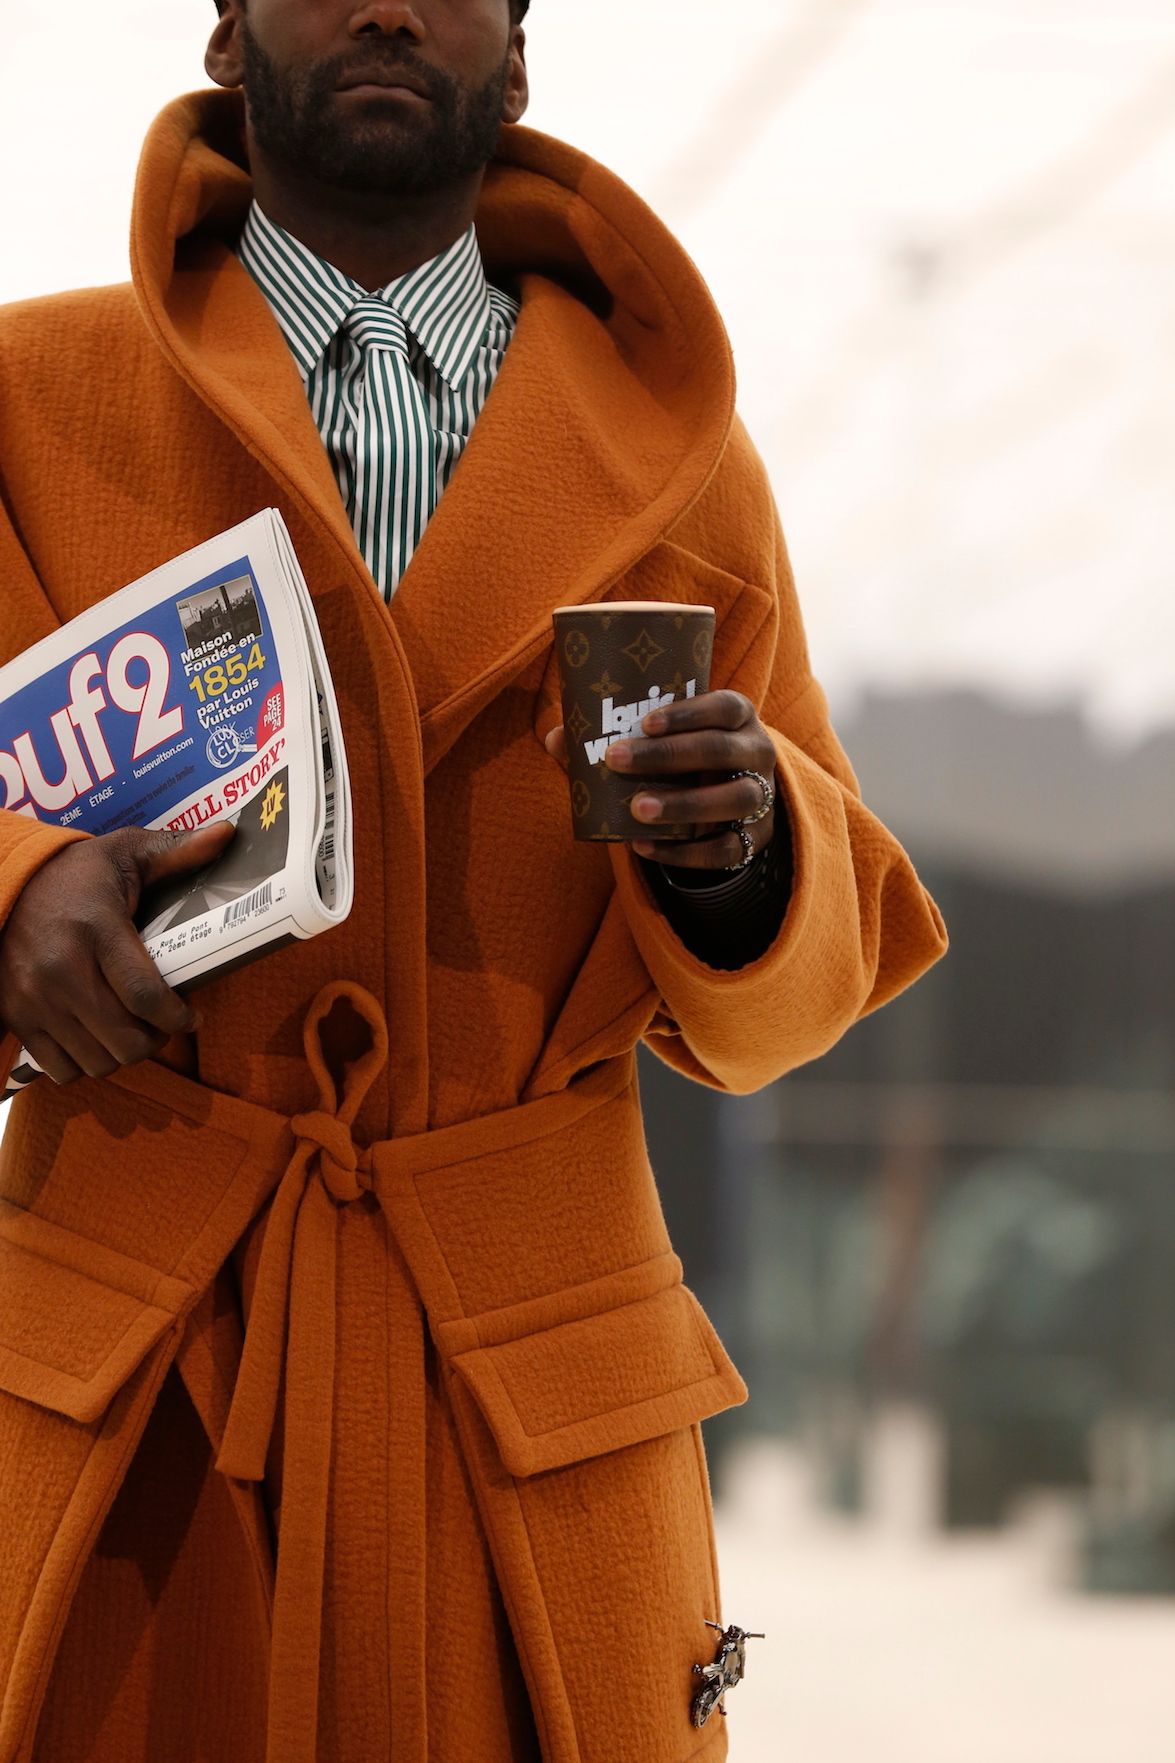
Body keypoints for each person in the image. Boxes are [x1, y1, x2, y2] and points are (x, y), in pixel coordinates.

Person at [0, 4, 947, 1760]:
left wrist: (748, 862)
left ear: (518, 56)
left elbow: (825, 959)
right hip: (140, 1370)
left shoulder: (686, 468)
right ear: (222, 33)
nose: (383, 4)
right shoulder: (27, 399)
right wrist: (15, 890)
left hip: (525, 1379)